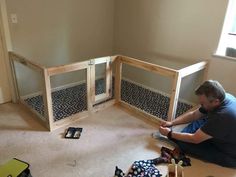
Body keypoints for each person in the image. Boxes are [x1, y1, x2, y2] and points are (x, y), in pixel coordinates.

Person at [159, 80, 236, 168]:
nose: (201, 105)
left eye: (203, 103)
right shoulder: (225, 96)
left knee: (183, 143)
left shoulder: (221, 116)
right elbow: (194, 115)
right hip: (226, 131)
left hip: (230, 154)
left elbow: (195, 139)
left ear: (216, 101)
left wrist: (169, 134)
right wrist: (172, 122)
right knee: (201, 119)